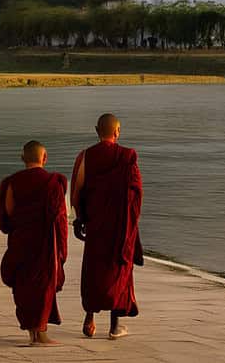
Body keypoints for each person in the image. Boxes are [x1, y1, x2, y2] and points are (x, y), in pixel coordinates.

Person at [70, 113, 143, 340]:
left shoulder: (86, 157)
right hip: (120, 227)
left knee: (93, 270)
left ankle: (90, 318)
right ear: (117, 132)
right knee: (119, 272)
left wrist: (79, 218)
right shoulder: (127, 157)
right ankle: (114, 327)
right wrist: (130, 221)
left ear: (96, 130)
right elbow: (136, 194)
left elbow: (76, 191)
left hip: (96, 224)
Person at [0, 140, 69, 346]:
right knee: (43, 287)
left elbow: (6, 214)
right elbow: (60, 219)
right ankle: (41, 333)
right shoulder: (54, 182)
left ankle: (32, 332)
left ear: (22, 158)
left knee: (24, 286)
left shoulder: (11, 182)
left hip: (21, 242)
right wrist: (62, 249)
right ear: (44, 158)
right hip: (45, 245)